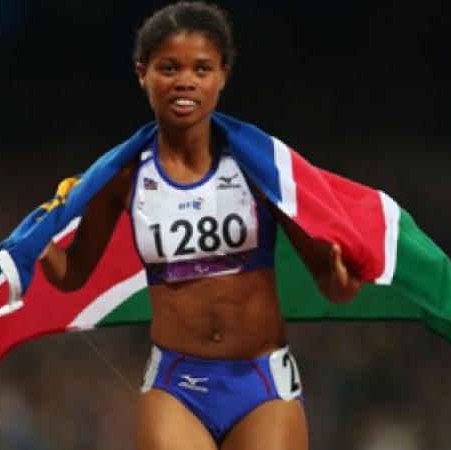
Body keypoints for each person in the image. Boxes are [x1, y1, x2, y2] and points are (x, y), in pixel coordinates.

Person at [39, 2, 362, 449]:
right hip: (177, 382)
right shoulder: (124, 175)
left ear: (223, 75)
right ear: (142, 73)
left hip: (263, 381)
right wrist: (35, 245)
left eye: (202, 68)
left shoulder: (261, 167)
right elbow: (72, 275)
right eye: (168, 67)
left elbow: (328, 279)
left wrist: (343, 279)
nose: (185, 81)